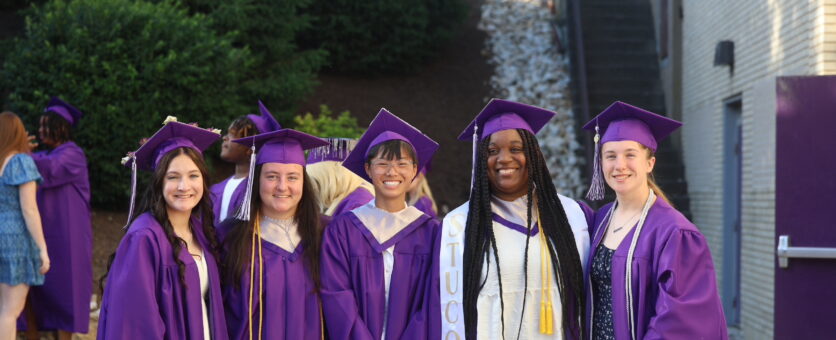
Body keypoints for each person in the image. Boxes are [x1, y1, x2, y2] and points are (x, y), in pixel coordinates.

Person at [439, 99, 591, 340]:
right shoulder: (459, 225)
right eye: (491, 151)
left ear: (533, 154)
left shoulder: (571, 215)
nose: (504, 159)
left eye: (516, 148)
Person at [582, 101, 727, 340]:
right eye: (610, 156)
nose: (619, 165)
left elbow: (681, 320)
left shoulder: (675, 233)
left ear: (650, 163)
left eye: (630, 155)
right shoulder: (600, 220)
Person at [97, 118, 227, 339]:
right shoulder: (144, 238)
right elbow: (135, 323)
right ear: (159, 183)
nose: (184, 186)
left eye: (193, 176)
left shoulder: (200, 230)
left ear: (203, 180)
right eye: (173, 177)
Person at [320, 109, 441, 339]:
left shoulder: (431, 232)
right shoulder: (343, 230)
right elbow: (336, 294)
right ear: (368, 169)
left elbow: (432, 298)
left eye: (402, 164)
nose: (392, 171)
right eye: (382, 163)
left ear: (414, 170)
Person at [220, 129, 329, 340]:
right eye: (272, 176)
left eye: (292, 177)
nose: (282, 186)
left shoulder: (327, 234)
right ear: (256, 180)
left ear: (303, 183)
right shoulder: (229, 236)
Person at [21, 97, 92, 340]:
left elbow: (49, 168)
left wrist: (19, 153)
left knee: (66, 290)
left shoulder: (73, 154)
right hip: (43, 233)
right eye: (39, 126)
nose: (40, 131)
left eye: (45, 126)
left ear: (60, 126)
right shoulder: (41, 155)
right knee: (32, 290)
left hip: (67, 236)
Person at [0, 112, 49, 340]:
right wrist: (42, 249)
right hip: (15, 239)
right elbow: (29, 209)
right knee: (9, 311)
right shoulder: (21, 162)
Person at [211, 100, 282, 225]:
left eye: (232, 134)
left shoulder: (257, 190)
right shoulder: (216, 189)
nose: (225, 137)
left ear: (250, 148)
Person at [305, 138, 374, 217]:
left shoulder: (358, 205)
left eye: (318, 182)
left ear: (333, 177)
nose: (314, 188)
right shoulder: (349, 200)